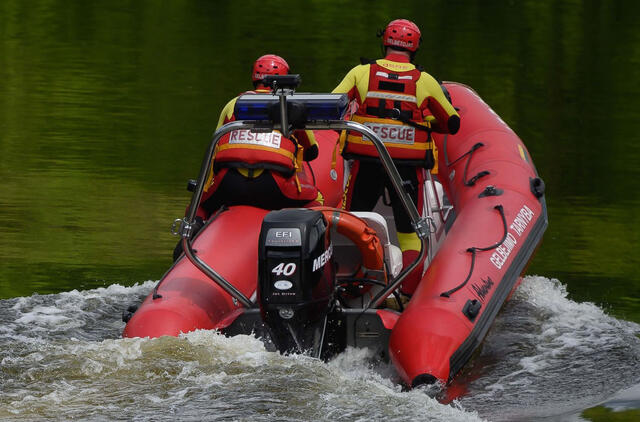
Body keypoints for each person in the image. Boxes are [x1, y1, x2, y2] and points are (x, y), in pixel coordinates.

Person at [332, 19, 460, 295]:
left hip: (366, 160)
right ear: (415, 48)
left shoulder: (361, 72)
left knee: (355, 221)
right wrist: (424, 121)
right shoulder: (425, 81)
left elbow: (333, 105)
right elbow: (452, 123)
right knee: (409, 230)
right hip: (407, 165)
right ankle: (408, 292)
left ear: (385, 43)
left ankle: (352, 287)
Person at [173, 54, 322, 261]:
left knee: (200, 203)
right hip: (273, 187)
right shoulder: (290, 104)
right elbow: (312, 151)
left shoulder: (233, 103)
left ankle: (187, 242)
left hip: (229, 183)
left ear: (255, 78)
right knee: (316, 201)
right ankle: (313, 251)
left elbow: (214, 147)